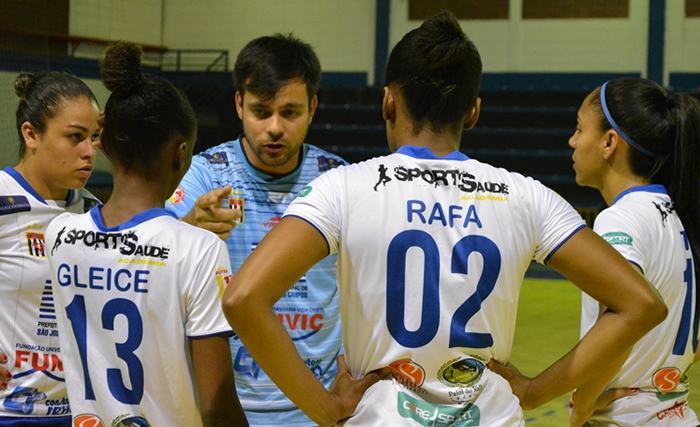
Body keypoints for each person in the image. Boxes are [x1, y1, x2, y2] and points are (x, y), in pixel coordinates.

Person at [222, 12, 667, 426]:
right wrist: (532, 392)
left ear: (388, 103)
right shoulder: (527, 196)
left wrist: (324, 408)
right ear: (473, 110)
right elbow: (640, 305)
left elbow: (243, 298)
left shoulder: (343, 188)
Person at [45, 42, 247, 427]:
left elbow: (130, 248)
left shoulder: (61, 234)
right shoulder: (200, 249)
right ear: (181, 152)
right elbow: (218, 406)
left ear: (103, 147)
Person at [165, 33, 347, 426]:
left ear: (313, 108)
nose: (275, 128)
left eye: (291, 112)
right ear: (238, 105)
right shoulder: (205, 174)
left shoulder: (339, 181)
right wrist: (188, 227)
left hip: (318, 408)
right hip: (226, 410)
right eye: (261, 111)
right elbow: (153, 267)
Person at [567, 77, 700, 426]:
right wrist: (660, 369)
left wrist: (584, 403)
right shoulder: (685, 220)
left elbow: (619, 323)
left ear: (609, 142)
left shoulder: (618, 221)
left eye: (579, 129)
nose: (572, 141)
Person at [0, 71, 100, 426]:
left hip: (78, 413)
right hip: (8, 412)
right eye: (75, 137)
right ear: (31, 134)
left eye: (95, 137)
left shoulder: (92, 211)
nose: (89, 152)